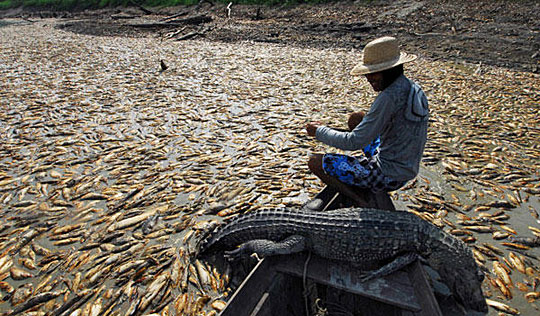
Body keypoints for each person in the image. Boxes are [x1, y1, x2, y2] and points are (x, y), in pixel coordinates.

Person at [305, 36, 429, 207]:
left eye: (373, 72)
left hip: (389, 175)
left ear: (389, 70)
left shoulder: (389, 98)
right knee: (356, 119)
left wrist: (319, 132)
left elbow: (354, 142)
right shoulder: (412, 87)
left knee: (315, 162)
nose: (368, 78)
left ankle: (360, 200)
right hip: (407, 166)